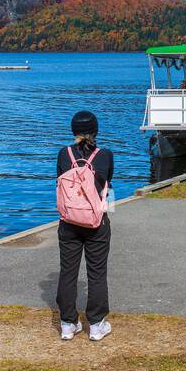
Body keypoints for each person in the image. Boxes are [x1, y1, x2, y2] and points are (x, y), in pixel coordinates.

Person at [55, 110, 114, 341]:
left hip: (68, 221)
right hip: (95, 222)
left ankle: (67, 324)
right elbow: (107, 183)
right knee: (97, 272)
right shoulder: (104, 155)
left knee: (68, 272)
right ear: (95, 130)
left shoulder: (63, 154)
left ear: (73, 131)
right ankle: (97, 325)